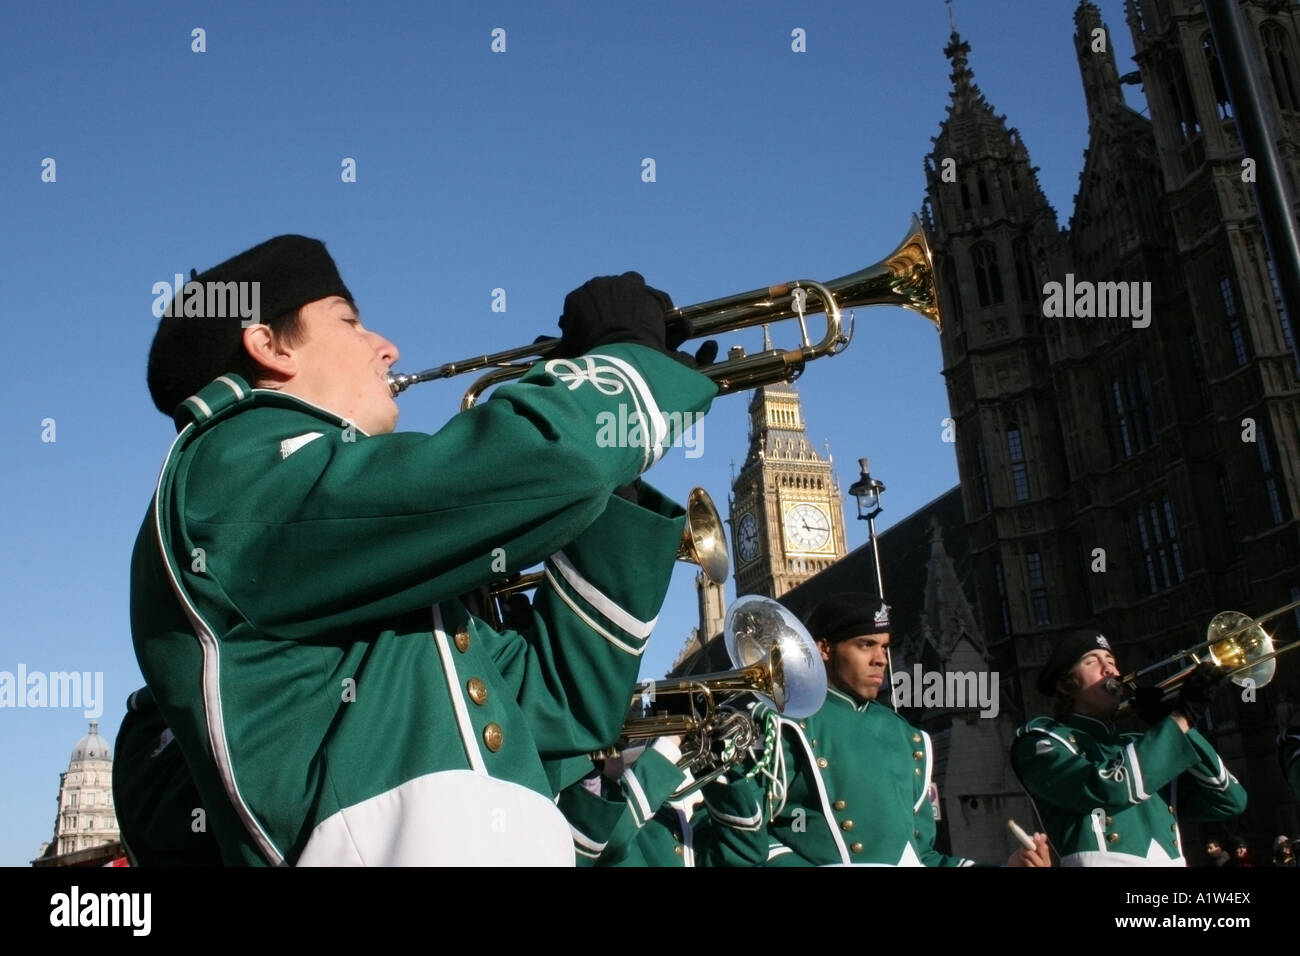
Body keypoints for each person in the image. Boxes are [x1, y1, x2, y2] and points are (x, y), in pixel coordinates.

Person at [116, 234, 718, 866]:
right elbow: (524, 463)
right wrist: (620, 365)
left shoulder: (372, 583)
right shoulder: (231, 467)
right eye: (349, 321)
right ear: (268, 344)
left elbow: (565, 705)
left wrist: (615, 462)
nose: (387, 348)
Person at [761, 593, 1051, 867]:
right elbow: (741, 834)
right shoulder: (783, 724)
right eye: (866, 644)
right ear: (824, 649)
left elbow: (921, 856)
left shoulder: (908, 738)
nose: (881, 659)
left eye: (885, 647)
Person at [1011, 630, 1247, 866]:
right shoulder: (1041, 742)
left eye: (1111, 661)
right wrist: (1180, 719)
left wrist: (1177, 725)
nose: (1110, 670)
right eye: (1092, 662)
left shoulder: (1140, 744)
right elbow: (1109, 788)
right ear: (1065, 685)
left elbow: (1229, 799)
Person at [558, 736, 768, 866]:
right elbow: (604, 842)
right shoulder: (573, 809)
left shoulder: (668, 816)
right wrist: (669, 745)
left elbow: (748, 853)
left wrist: (709, 763)